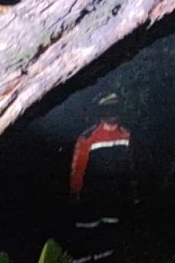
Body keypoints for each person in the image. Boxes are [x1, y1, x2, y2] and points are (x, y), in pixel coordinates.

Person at [68, 92, 136, 263]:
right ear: (102, 111)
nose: (112, 113)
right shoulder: (88, 137)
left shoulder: (125, 134)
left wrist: (131, 189)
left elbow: (128, 164)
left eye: (115, 108)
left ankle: (104, 258)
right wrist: (75, 192)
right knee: (86, 231)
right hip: (91, 194)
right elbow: (78, 168)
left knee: (109, 231)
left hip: (114, 193)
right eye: (108, 109)